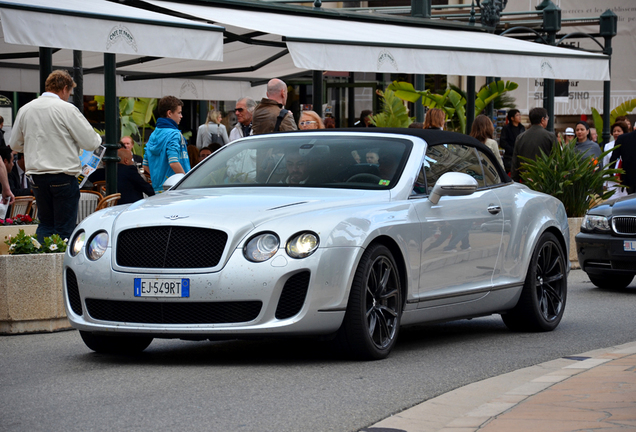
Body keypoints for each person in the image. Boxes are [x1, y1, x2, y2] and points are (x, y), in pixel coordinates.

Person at [8, 70, 101, 241]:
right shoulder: (66, 109)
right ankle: (60, 267)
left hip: (37, 177)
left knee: (46, 224)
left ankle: (42, 264)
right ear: (65, 88)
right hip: (63, 176)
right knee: (65, 229)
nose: (68, 96)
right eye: (69, 93)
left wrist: (31, 145)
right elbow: (91, 143)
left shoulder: (25, 109)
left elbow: (14, 144)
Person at [143, 95, 191, 193]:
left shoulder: (153, 135)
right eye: (179, 112)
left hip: (158, 189)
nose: (181, 116)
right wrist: (186, 181)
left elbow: (145, 165)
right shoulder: (174, 134)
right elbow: (173, 162)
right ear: (169, 113)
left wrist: (158, 179)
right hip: (176, 189)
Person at [510, 107, 556, 182]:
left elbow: (515, 162)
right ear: (542, 120)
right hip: (545, 183)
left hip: (526, 181)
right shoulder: (550, 137)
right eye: (547, 118)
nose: (547, 120)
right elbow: (556, 160)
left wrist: (515, 181)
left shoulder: (520, 137)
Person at [603, 122, 630, 198]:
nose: (616, 133)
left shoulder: (628, 145)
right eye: (614, 131)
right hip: (612, 180)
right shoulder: (608, 146)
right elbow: (606, 164)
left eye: (619, 131)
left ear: (624, 132)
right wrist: (605, 182)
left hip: (624, 181)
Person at [611, 127, 636, 194]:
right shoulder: (623, 138)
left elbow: (613, 159)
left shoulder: (623, 138)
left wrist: (612, 175)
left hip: (629, 180)